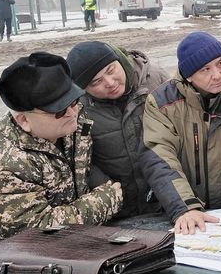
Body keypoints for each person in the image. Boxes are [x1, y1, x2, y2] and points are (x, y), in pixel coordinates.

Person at [0, 53, 123, 260]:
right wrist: (105, 200)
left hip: (70, 248)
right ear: (23, 120)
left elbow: (79, 164)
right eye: (58, 110)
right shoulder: (0, 164)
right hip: (10, 262)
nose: (72, 112)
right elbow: (40, 231)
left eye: (73, 100)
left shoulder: (70, 118)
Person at [140, 31, 221, 234]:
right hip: (191, 212)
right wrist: (185, 207)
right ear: (189, 76)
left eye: (220, 63)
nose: (218, 74)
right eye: (206, 69)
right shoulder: (162, 103)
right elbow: (160, 158)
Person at [66, 41, 170, 218]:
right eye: (96, 82)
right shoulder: (77, 108)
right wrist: (110, 191)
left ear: (120, 60)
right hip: (118, 210)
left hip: (167, 201)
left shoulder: (156, 80)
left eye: (111, 70)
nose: (109, 82)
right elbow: (81, 159)